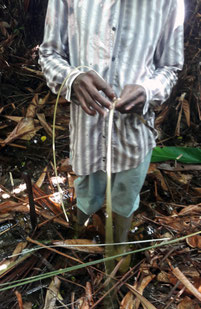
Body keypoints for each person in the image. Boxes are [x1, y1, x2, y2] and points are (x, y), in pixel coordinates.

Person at [39, 0, 184, 271]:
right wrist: (72, 78)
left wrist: (148, 91)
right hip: (87, 131)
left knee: (125, 197)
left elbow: (171, 67)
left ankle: (119, 246)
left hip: (134, 134)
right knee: (85, 193)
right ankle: (79, 247)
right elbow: (49, 54)